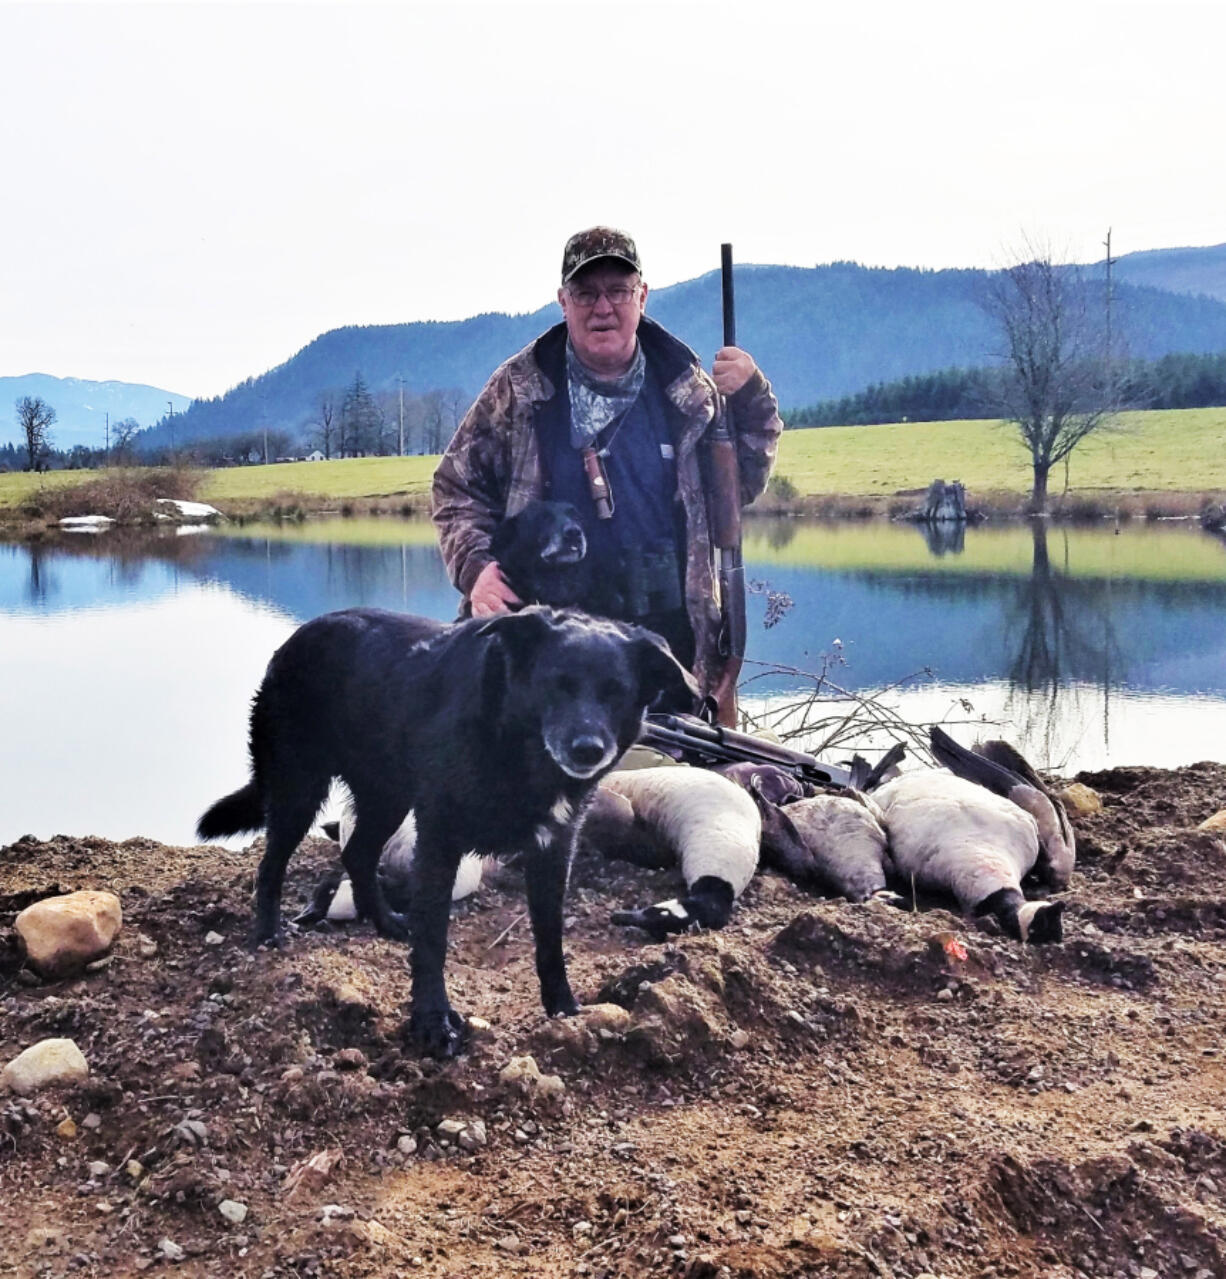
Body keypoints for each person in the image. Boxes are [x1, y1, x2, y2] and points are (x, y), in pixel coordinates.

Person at [431, 226, 783, 699]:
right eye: (586, 293)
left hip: (665, 655)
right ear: (562, 300)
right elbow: (455, 489)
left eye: (618, 291)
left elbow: (738, 487)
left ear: (642, 295)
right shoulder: (519, 387)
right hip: (542, 659)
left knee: (684, 771)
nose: (603, 308)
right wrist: (477, 571)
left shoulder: (690, 393)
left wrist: (752, 396)